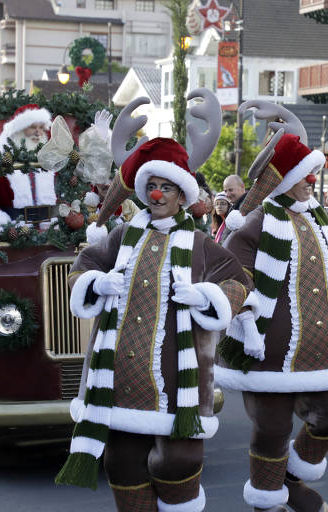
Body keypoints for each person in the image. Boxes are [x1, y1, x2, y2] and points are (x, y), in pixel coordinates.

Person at [56, 91, 252, 511]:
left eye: (166, 187)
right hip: (120, 382)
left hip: (178, 385)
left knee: (180, 461)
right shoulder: (123, 235)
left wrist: (207, 296)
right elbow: (83, 263)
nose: (158, 194)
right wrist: (95, 281)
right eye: (151, 186)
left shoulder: (200, 244)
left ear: (182, 195)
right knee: (122, 462)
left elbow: (238, 281)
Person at [215, 133, 328, 512]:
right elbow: (233, 275)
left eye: (314, 174)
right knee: (273, 431)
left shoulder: (318, 217)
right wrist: (243, 317)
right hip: (268, 350)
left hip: (320, 352)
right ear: (285, 178)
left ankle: (289, 480)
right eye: (305, 175)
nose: (312, 181)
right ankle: (267, 503)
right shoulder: (257, 221)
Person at [0, 104, 59, 228]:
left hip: (52, 229)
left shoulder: (52, 162)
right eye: (33, 127)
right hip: (14, 230)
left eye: (41, 128)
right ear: (18, 130)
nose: (38, 132)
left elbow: (64, 191)